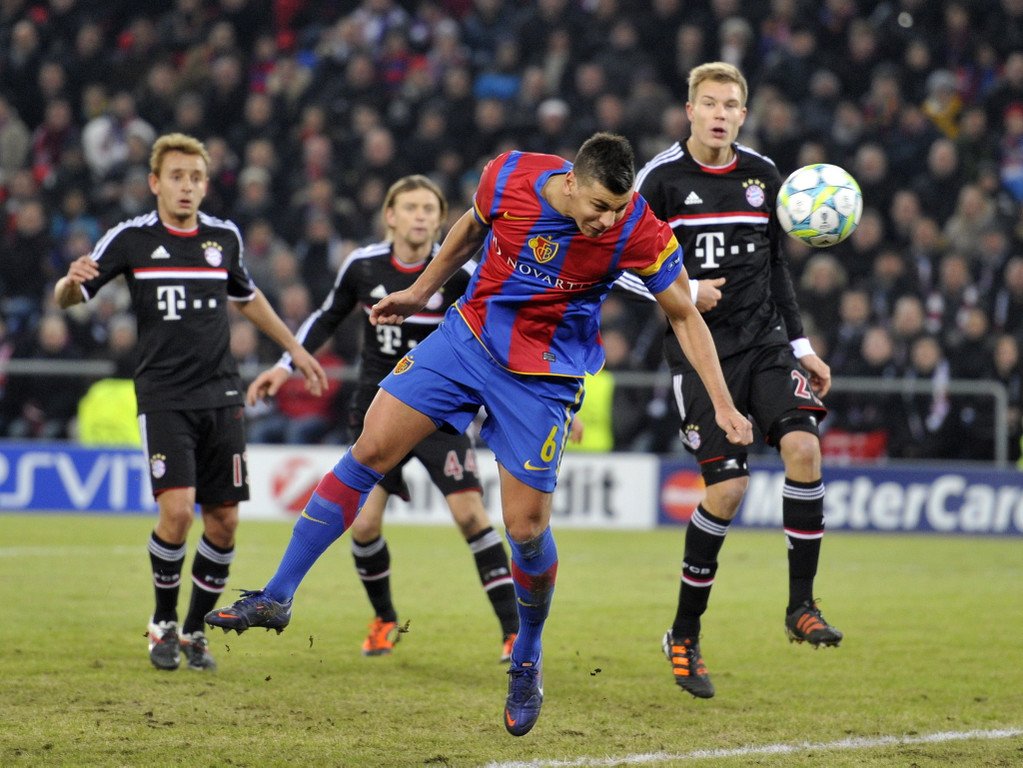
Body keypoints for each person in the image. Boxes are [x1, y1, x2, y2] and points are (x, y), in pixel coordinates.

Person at [206, 132, 752, 736]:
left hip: (544, 378)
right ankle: (278, 594)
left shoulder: (639, 229)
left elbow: (684, 314)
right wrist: (420, 292)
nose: (607, 220)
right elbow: (470, 227)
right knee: (369, 448)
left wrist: (722, 404)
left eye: (618, 208)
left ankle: (527, 654)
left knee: (525, 529)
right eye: (600, 206)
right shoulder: (510, 175)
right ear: (571, 182)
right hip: (466, 341)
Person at [54, 132, 327, 673]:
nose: (186, 186)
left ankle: (196, 630)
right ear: (155, 182)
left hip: (221, 394)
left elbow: (247, 298)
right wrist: (68, 281)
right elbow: (71, 297)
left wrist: (294, 349)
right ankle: (163, 621)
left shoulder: (223, 238)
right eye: (176, 176)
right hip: (163, 396)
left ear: (205, 185)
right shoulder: (130, 238)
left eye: (196, 177)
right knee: (177, 512)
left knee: (223, 523)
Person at [633, 62, 843, 701]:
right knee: (727, 491)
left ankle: (801, 605)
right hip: (699, 357)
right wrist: (685, 290)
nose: (720, 114)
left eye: (730, 105)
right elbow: (618, 262)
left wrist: (801, 345)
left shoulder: (763, 177)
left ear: (743, 115)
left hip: (765, 345)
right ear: (689, 110)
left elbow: (778, 267)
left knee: (804, 449)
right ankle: (684, 634)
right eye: (709, 103)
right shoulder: (660, 181)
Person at [247, 174, 520, 661]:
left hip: (441, 416)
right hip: (379, 412)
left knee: (471, 515)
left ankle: (512, 633)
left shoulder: (460, 274)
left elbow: (496, 341)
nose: (421, 216)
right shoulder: (363, 266)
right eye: (411, 207)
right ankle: (385, 619)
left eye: (430, 209)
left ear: (442, 220)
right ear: (390, 216)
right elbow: (327, 317)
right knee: (365, 525)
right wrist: (285, 365)